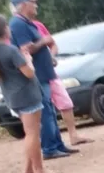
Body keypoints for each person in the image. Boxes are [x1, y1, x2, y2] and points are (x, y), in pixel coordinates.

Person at [0, 14, 58, 173]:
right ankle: (39, 170)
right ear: (3, 30)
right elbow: (29, 73)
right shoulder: (11, 51)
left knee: (28, 132)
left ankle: (28, 169)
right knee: (33, 134)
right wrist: (28, 59)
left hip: (13, 97)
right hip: (27, 95)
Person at [9, 0, 79, 160]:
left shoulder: (28, 22)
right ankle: (49, 148)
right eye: (32, 2)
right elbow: (26, 50)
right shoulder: (18, 24)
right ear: (23, 5)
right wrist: (44, 41)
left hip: (44, 73)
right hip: (37, 76)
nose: (36, 5)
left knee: (50, 111)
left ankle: (58, 144)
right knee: (46, 113)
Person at [31, 17, 93, 146]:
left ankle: (73, 135)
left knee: (65, 102)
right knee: (44, 109)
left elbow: (53, 44)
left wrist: (52, 56)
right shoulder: (20, 30)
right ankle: (47, 142)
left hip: (50, 72)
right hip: (37, 74)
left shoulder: (38, 25)